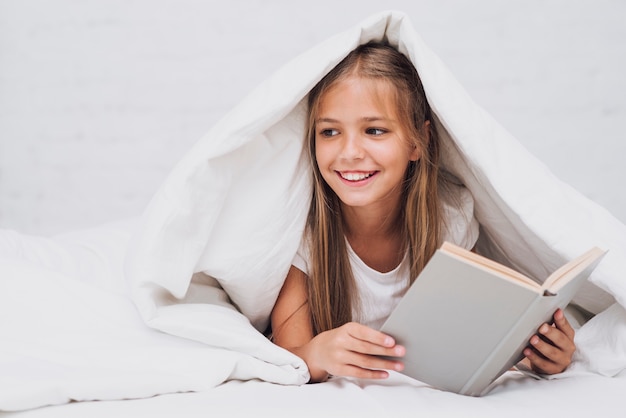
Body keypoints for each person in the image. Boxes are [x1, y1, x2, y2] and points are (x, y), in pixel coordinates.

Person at [270, 41, 576, 383]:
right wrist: (317, 353)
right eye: (330, 132)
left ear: (417, 142)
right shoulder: (305, 231)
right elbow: (287, 357)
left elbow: (477, 338)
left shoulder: (450, 216)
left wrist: (538, 355)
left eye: (374, 130)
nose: (350, 151)